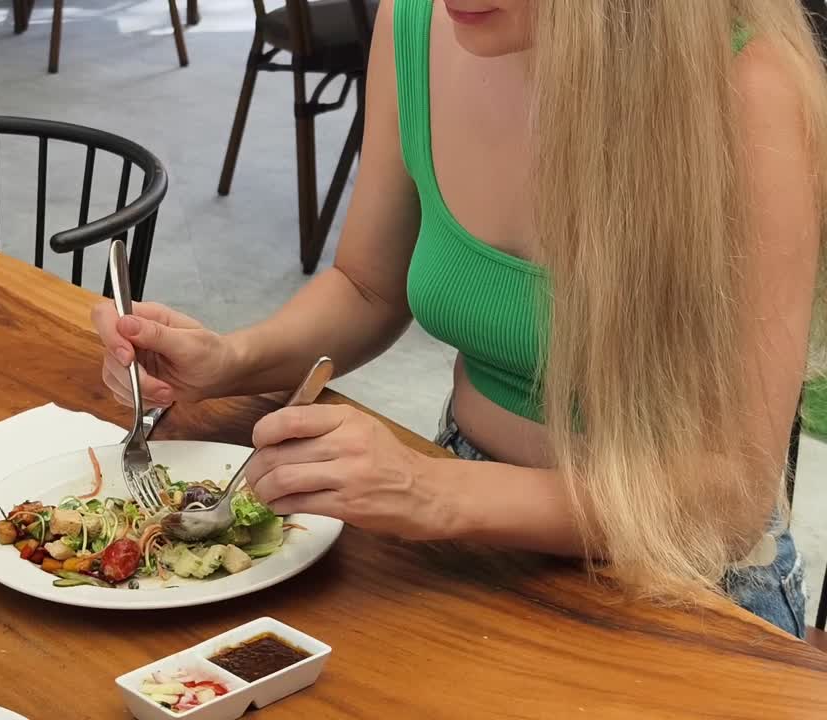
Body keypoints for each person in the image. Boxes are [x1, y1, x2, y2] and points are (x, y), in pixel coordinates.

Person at [93, 0, 827, 638]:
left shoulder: (751, 92)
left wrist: (428, 491)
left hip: (681, 582)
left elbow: (732, 492)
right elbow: (365, 287)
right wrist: (233, 359)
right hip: (461, 539)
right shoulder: (416, 24)